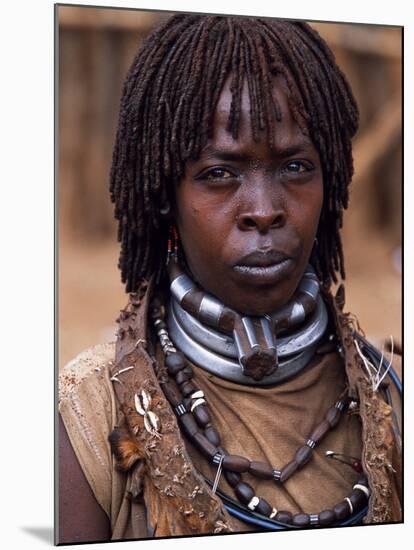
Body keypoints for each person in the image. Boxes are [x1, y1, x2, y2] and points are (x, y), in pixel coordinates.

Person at [58, 13, 402, 544]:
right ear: (165, 199)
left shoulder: (393, 397)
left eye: (295, 167)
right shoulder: (90, 415)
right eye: (220, 173)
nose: (264, 211)